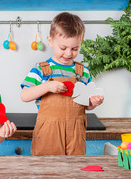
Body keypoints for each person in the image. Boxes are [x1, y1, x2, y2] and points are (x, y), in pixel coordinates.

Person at [20, 12, 104, 155]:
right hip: (48, 134)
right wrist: (46, 86)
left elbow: (84, 104)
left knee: (74, 172)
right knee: (47, 171)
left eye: (75, 49)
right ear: (50, 41)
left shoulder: (83, 72)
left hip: (76, 134)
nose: (68, 54)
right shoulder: (41, 69)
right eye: (63, 48)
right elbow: (25, 95)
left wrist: (93, 103)